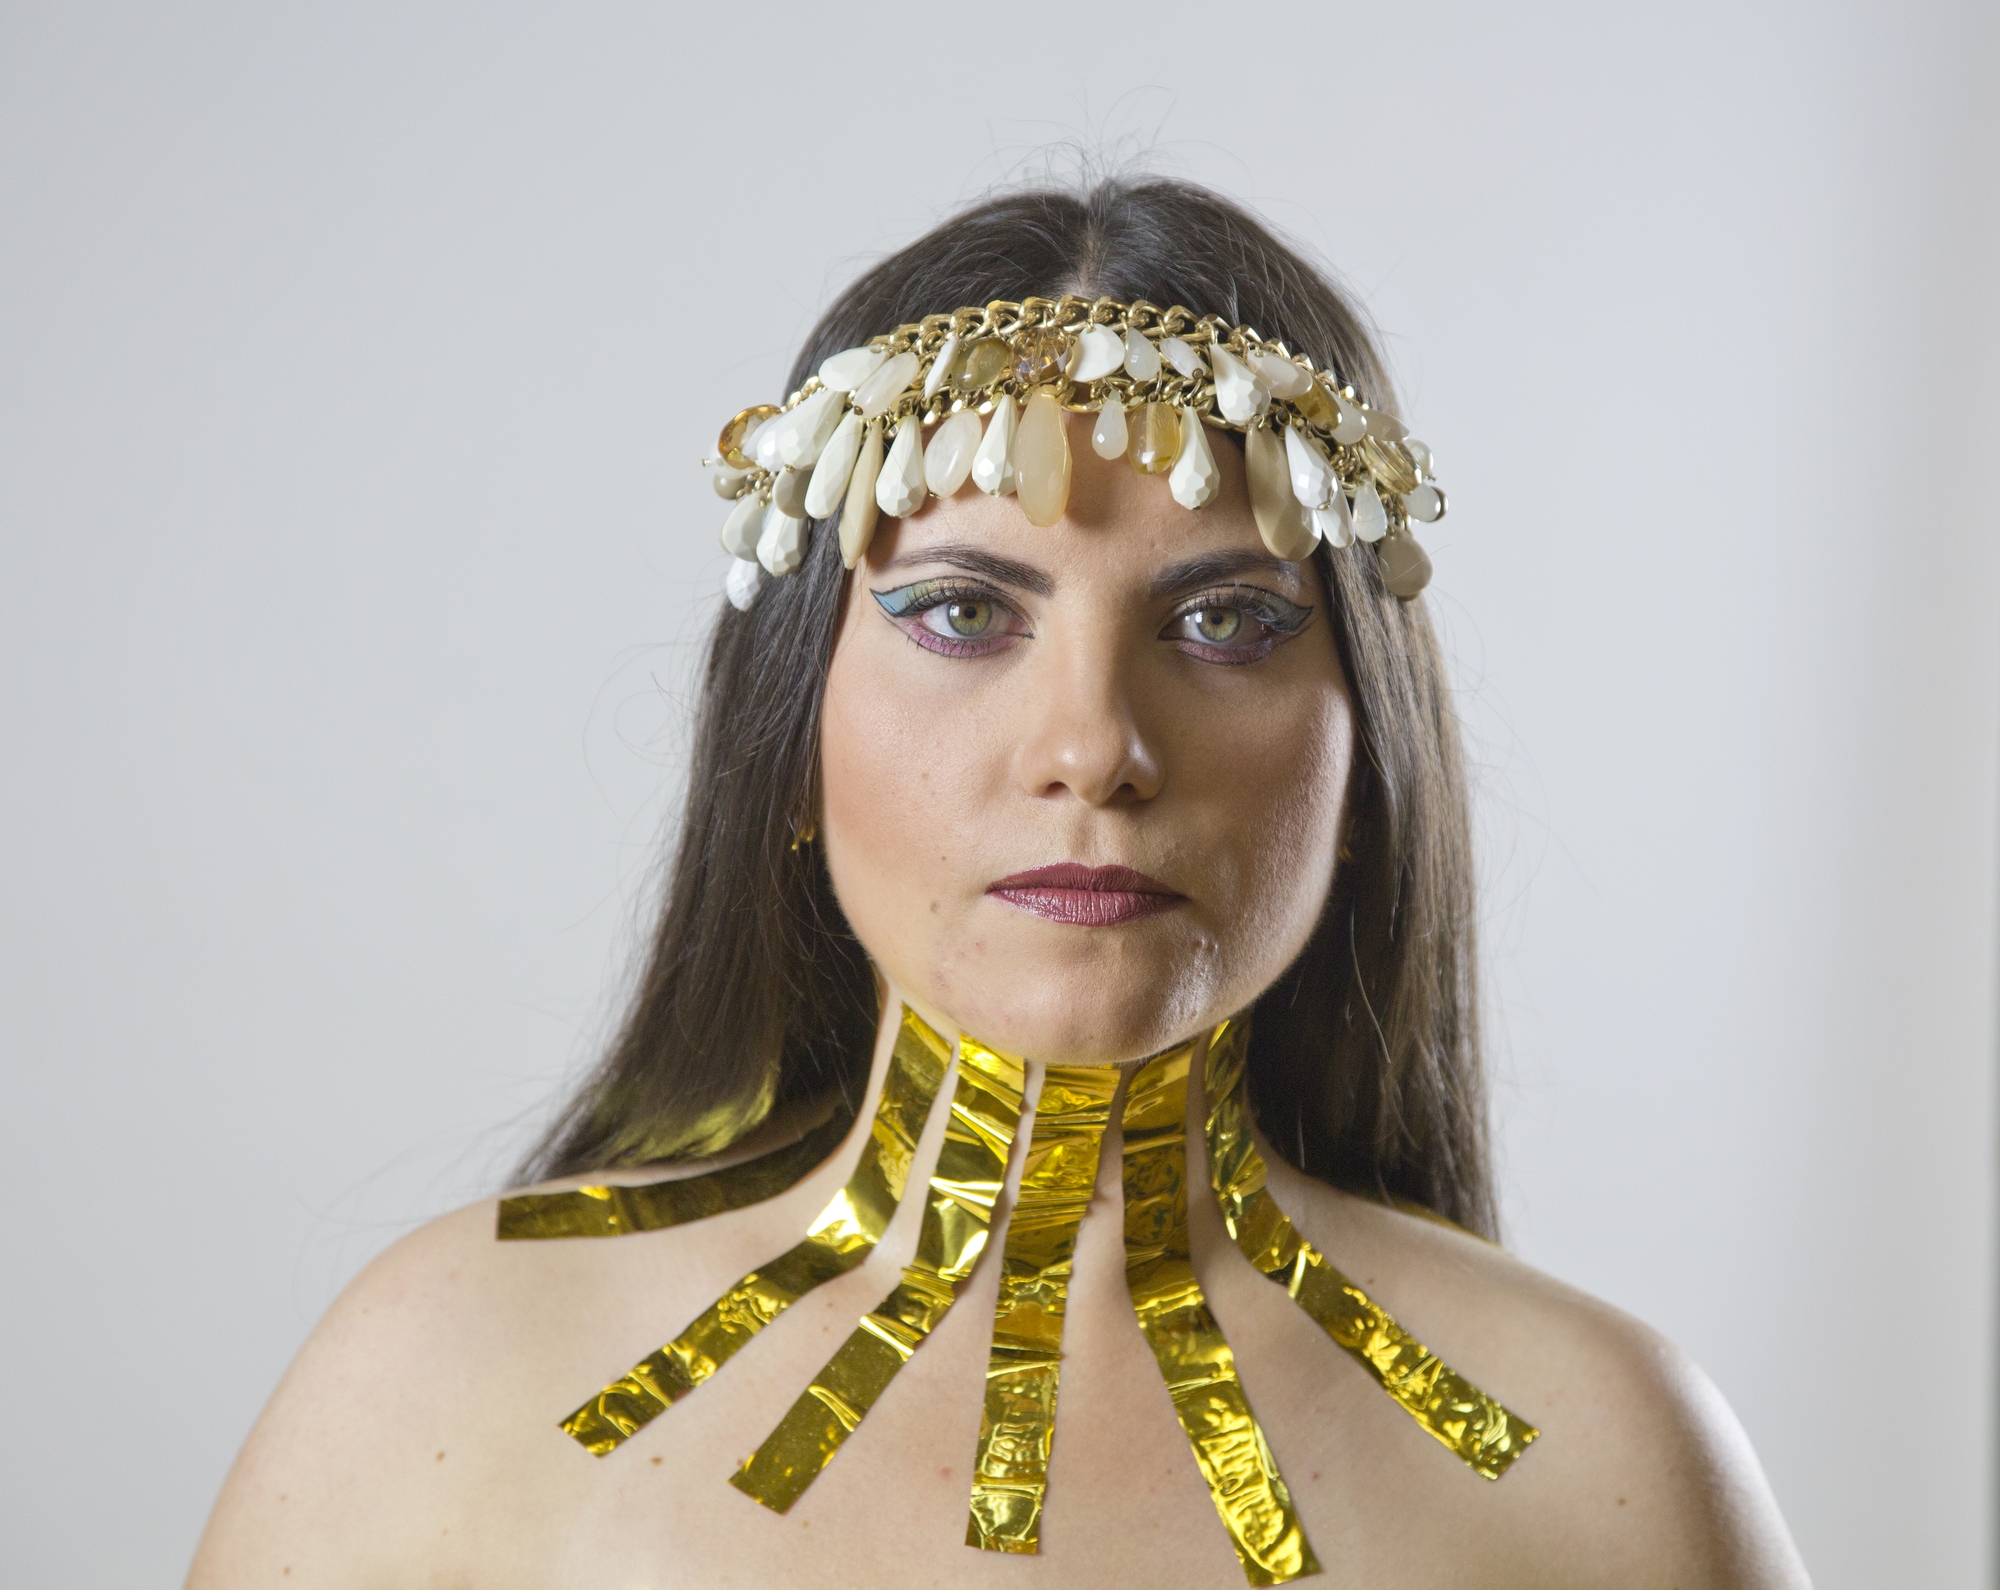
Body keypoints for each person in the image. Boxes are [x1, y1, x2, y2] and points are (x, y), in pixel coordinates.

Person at [188, 177, 1811, 1588]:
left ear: (1366, 758)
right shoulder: (440, 1387)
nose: (1094, 746)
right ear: (788, 737)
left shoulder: (1603, 1467)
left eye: (1225, 621)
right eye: (965, 612)